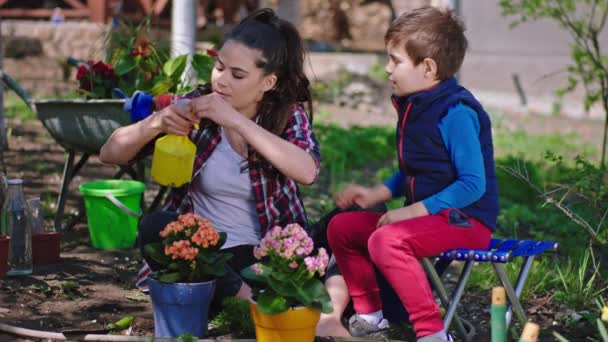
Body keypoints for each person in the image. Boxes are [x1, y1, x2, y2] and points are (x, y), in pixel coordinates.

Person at [99, 8, 320, 304]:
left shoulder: (286, 116)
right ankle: (250, 301)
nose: (222, 81)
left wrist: (234, 119)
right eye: (219, 67)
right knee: (154, 226)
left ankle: (238, 294)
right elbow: (109, 153)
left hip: (263, 256)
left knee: (337, 229)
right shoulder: (195, 107)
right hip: (204, 251)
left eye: (237, 75)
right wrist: (157, 122)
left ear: (268, 82)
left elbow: (307, 172)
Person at [326, 6, 499, 342]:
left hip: (467, 221)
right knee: (342, 227)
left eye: (396, 60)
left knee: (386, 239)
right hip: (432, 217)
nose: (388, 69)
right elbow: (418, 169)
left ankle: (432, 332)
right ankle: (371, 316)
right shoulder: (417, 106)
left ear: (428, 68)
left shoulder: (455, 112)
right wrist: (379, 193)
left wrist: (413, 211)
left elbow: (472, 184)